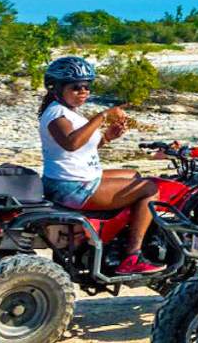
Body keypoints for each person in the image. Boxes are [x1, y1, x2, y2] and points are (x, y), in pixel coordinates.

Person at [37, 55, 163, 275]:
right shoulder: (56, 113)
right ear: (55, 87)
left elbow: (82, 147)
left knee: (134, 175)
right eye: (76, 87)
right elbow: (72, 143)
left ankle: (115, 236)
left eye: (87, 86)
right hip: (72, 186)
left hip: (77, 177)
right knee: (150, 189)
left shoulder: (68, 112)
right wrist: (103, 115)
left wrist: (107, 137)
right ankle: (132, 256)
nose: (83, 92)